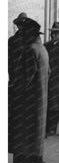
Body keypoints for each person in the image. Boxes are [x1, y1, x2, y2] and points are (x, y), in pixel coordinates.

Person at [9, 18, 50, 163]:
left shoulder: (30, 51)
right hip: (39, 102)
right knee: (35, 137)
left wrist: (11, 90)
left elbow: (23, 79)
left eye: (23, 32)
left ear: (28, 34)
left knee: (21, 137)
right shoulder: (42, 50)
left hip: (26, 102)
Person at [8, 12, 28, 153]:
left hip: (25, 76)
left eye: (23, 24)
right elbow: (8, 58)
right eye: (20, 24)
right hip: (14, 74)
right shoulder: (12, 40)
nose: (21, 27)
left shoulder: (29, 40)